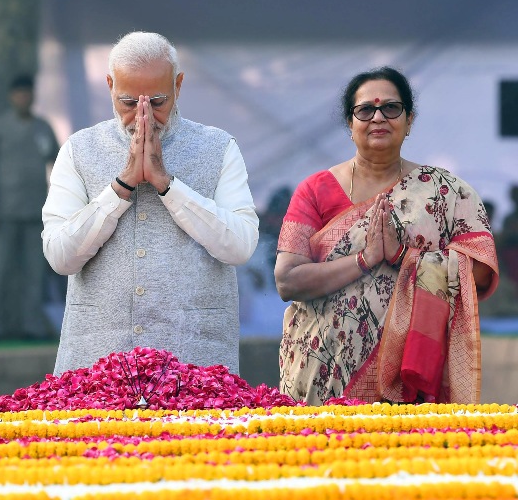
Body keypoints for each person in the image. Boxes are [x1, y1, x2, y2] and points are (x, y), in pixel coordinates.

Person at [275, 66, 499, 406]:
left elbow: (481, 272)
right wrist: (364, 260)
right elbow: (287, 280)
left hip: (410, 380)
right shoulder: (315, 190)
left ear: (409, 121)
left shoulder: (447, 192)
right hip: (322, 374)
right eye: (366, 109)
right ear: (350, 123)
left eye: (391, 108)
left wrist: (403, 257)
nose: (378, 117)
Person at [42, 31, 259, 376]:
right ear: (110, 85)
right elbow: (60, 256)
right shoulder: (78, 150)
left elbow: (241, 245)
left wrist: (168, 186)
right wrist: (121, 186)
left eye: (157, 102)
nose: (143, 115)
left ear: (178, 85)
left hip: (195, 363)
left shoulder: (219, 148)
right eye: (128, 102)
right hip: (96, 364)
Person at [0, 75, 59, 341]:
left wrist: (57, 205)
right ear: (11, 97)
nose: (23, 98)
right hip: (3, 213)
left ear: (33, 96)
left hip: (36, 212)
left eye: (27, 93)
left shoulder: (43, 128)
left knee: (34, 273)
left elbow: (59, 165)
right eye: (19, 93)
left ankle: (32, 325)